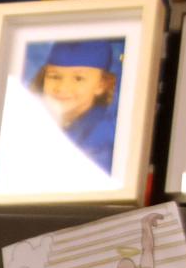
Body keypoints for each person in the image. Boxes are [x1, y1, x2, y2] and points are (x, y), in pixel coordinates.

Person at [32, 39, 120, 173]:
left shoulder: (102, 138)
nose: (62, 88)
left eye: (79, 78)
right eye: (54, 76)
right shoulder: (38, 122)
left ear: (101, 85)